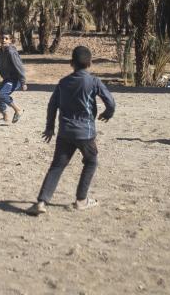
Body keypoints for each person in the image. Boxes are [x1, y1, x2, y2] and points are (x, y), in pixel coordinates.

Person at [27, 46, 115, 216]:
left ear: (71, 63)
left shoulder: (63, 82)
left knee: (57, 166)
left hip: (65, 132)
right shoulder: (94, 81)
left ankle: (41, 201)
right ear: (90, 63)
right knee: (91, 161)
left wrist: (49, 127)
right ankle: (81, 200)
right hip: (86, 133)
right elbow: (110, 102)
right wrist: (107, 113)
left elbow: (52, 105)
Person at [0, 31, 27, 125]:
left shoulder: (12, 52)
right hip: (7, 79)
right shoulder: (0, 51)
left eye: (6, 38)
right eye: (2, 38)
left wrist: (23, 82)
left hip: (15, 79)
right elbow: (0, 64)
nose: (3, 40)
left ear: (10, 40)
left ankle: (18, 110)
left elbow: (19, 67)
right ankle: (5, 118)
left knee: (2, 95)